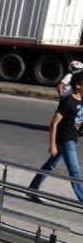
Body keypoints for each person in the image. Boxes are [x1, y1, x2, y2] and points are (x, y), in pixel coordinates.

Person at [28, 72, 83, 204]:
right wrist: (52, 145)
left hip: (72, 138)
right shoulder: (68, 101)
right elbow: (54, 123)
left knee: (50, 166)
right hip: (65, 140)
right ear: (78, 86)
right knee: (75, 172)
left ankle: (32, 189)